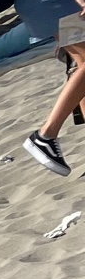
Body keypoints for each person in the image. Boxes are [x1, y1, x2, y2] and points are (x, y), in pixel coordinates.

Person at [24, 13, 85, 171]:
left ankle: (47, 134)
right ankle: (47, 133)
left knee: (81, 68)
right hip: (61, 2)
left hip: (57, 3)